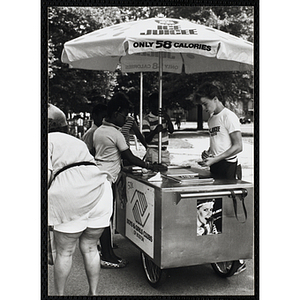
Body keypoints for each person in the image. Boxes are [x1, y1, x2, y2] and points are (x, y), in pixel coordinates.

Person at [93, 92, 166, 268]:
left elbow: (108, 155)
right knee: (105, 218)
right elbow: (130, 157)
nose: (125, 119)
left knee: (105, 217)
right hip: (107, 179)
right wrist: (152, 167)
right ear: (116, 112)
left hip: (100, 175)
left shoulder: (99, 130)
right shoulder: (115, 133)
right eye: (124, 115)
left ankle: (106, 250)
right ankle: (108, 256)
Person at [48, 104, 113, 295]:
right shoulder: (76, 141)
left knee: (65, 252)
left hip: (71, 194)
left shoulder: (46, 140)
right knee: (91, 247)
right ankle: (93, 293)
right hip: (100, 189)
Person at [194, 81, 246, 275]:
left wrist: (216, 158)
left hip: (229, 167)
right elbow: (218, 144)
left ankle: (238, 259)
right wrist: (208, 154)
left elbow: (237, 146)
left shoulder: (228, 116)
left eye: (206, 104)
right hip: (216, 166)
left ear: (216, 99)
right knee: (214, 211)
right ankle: (217, 253)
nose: (205, 108)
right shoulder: (212, 119)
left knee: (228, 213)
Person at [142, 92, 174, 165]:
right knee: (154, 169)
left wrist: (168, 119)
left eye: (158, 105)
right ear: (150, 106)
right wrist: (154, 131)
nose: (156, 108)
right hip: (153, 151)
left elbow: (171, 131)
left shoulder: (164, 117)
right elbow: (147, 139)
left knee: (165, 170)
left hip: (164, 151)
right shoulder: (147, 119)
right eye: (154, 105)